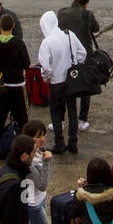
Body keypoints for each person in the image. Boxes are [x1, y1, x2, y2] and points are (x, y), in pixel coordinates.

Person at [38, 10, 86, 154]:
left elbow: (45, 66)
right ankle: (73, 142)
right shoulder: (69, 34)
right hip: (71, 80)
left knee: (56, 112)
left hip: (56, 82)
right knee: (72, 110)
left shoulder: (47, 42)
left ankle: (59, 143)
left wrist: (48, 77)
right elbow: (82, 53)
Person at [0, 13, 30, 157]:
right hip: (17, 85)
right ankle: (24, 145)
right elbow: (26, 63)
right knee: (22, 117)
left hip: (1, 86)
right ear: (13, 26)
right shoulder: (18, 43)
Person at [57, 0, 99, 132]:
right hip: (84, 56)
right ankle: (82, 119)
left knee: (64, 85)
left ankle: (61, 119)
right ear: (86, 3)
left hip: (66, 54)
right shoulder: (87, 14)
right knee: (85, 87)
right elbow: (96, 28)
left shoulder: (61, 12)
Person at [0, 134, 34, 224]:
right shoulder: (16, 185)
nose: (35, 155)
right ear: (24, 156)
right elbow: (13, 223)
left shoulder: (6, 169)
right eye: (33, 152)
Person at [23, 121, 53, 224]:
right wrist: (46, 163)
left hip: (38, 200)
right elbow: (42, 185)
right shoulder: (29, 161)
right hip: (33, 205)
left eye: (43, 135)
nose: (42, 139)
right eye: (38, 137)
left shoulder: (37, 151)